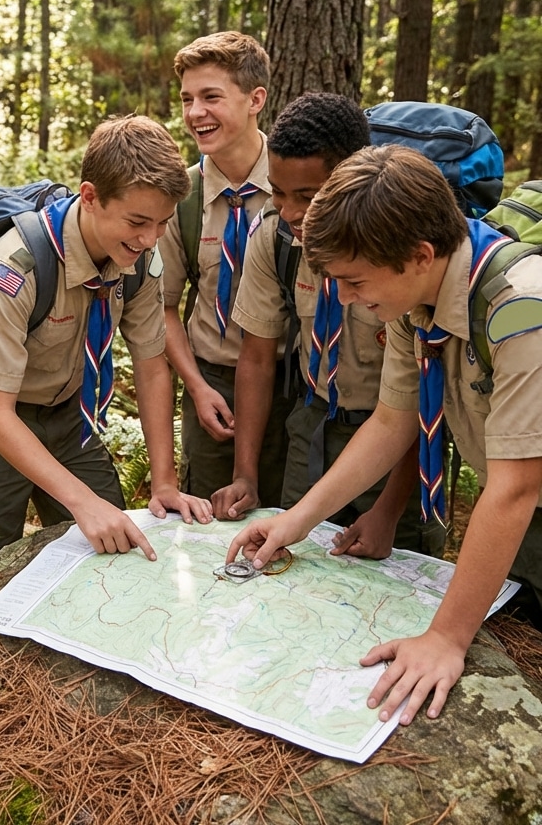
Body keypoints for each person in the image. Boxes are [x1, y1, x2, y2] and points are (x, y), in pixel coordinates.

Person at [228, 144, 542, 725]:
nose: (346, 298)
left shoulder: (522, 308)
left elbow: (516, 488)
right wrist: (297, 520)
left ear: (419, 255)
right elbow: (392, 421)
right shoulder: (413, 299)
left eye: (353, 281)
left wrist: (445, 638)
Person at [0, 114, 213, 580]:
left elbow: (151, 366)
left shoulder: (139, 255)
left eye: (163, 223)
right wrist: (82, 503)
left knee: (115, 546)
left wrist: (164, 482)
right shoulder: (13, 270)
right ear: (89, 197)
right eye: (137, 221)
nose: (150, 238)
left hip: (68, 412)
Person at [225, 93, 442, 558]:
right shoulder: (275, 238)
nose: (289, 211)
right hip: (315, 424)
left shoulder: (397, 258)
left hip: (398, 446)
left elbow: (417, 403)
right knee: (294, 560)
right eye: (277, 192)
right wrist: (246, 474)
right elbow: (256, 357)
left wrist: (388, 511)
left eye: (307, 196)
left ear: (350, 181)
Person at [159, 31, 292, 504]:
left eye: (211, 97)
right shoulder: (182, 198)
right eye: (187, 99)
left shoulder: (296, 187)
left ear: (256, 99)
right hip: (212, 383)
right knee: (211, 520)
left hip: (291, 385)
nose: (196, 112)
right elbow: (164, 307)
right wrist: (196, 387)